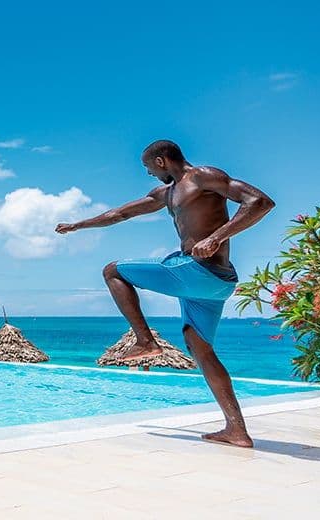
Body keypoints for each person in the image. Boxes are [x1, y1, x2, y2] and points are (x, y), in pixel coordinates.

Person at [55, 140, 274, 448]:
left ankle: (145, 341)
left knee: (113, 271)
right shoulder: (166, 193)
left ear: (161, 161)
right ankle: (236, 430)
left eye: (148, 169)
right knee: (200, 348)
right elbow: (119, 214)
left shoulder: (202, 176)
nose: (150, 175)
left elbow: (260, 202)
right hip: (213, 285)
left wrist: (216, 237)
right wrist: (78, 225)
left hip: (201, 272)